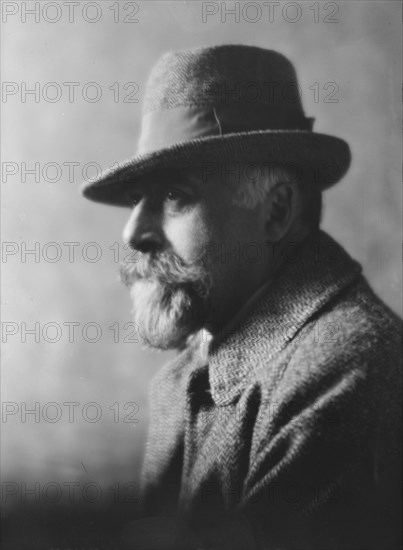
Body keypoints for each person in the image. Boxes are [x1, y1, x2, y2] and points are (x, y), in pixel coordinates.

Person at [82, 45, 401, 550]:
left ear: (275, 211)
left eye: (175, 196)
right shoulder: (181, 380)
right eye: (136, 198)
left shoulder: (351, 370)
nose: (131, 231)